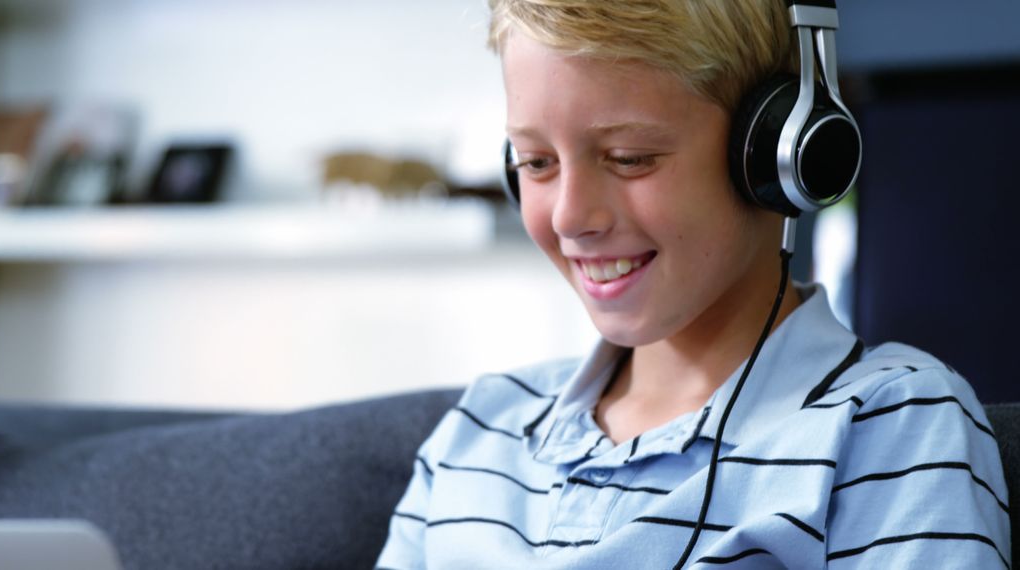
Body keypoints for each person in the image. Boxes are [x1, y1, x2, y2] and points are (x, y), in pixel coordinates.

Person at [377, 0, 1010, 567]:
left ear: (776, 154)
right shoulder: (478, 433)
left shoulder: (888, 425)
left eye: (629, 158)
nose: (570, 216)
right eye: (536, 163)